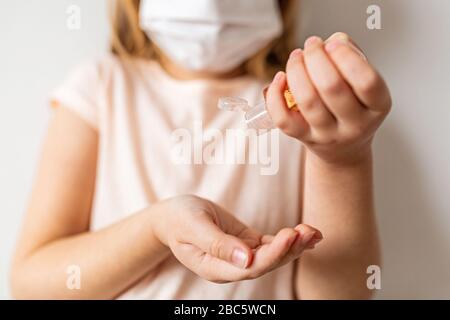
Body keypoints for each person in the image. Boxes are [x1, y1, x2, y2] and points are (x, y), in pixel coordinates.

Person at [10, 0, 391, 299]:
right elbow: (31, 285)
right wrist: (157, 229)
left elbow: (341, 295)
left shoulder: (310, 113)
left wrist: (344, 159)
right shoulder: (101, 88)